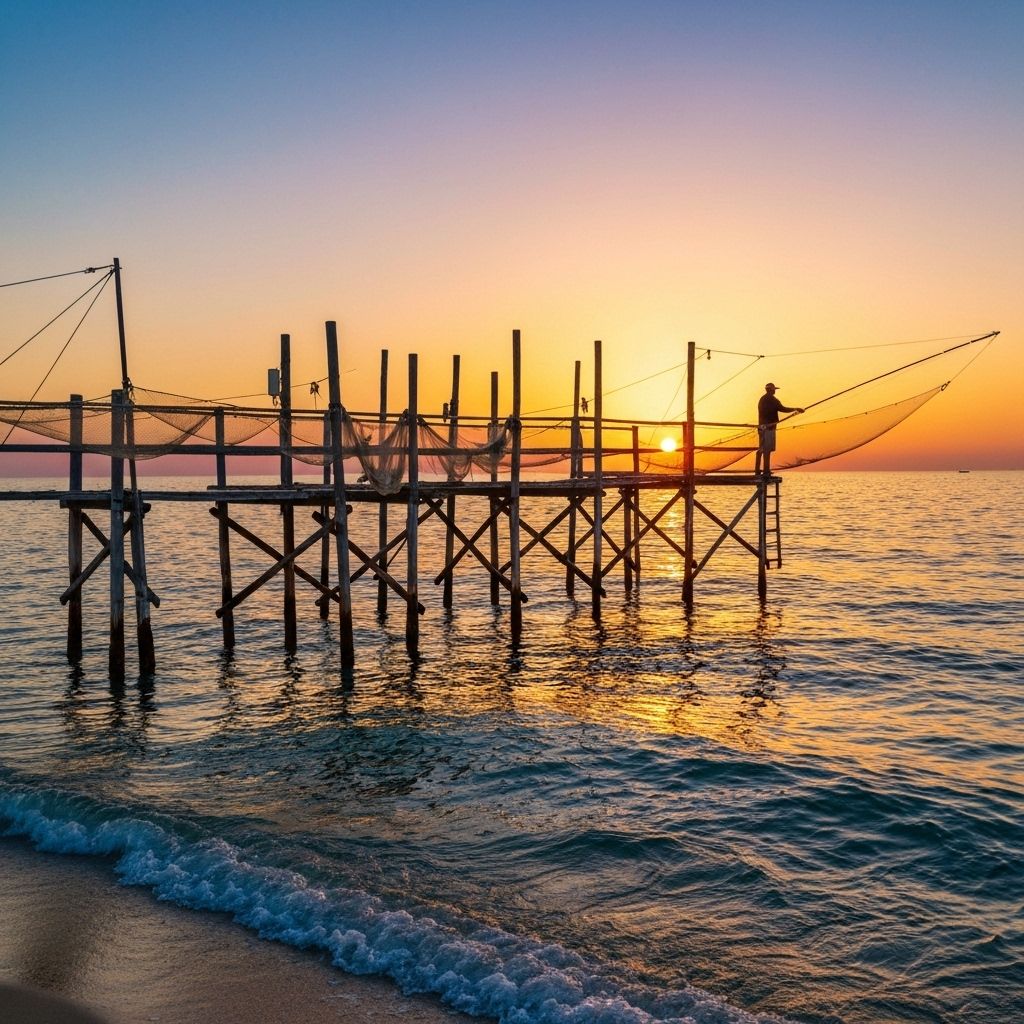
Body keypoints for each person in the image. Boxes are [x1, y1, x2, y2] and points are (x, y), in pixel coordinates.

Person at [755, 382, 803, 478]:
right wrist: (796, 409)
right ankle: (766, 470)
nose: (775, 391)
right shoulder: (772, 399)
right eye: (774, 390)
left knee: (761, 448)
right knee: (767, 450)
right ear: (771, 390)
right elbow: (782, 408)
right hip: (769, 428)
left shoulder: (762, 399)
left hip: (761, 427)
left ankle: (757, 469)